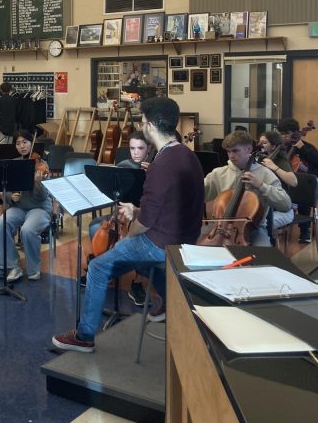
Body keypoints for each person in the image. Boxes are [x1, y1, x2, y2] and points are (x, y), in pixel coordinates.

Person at [52, 97, 205, 353]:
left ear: (152, 125)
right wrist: (137, 210)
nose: (142, 125)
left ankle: (84, 336)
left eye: (144, 121)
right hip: (184, 237)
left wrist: (130, 226)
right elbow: (170, 204)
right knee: (140, 262)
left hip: (160, 242)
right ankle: (168, 303)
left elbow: (143, 226)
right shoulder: (188, 156)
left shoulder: (161, 165)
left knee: (99, 267)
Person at [87, 131, 153, 304]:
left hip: (143, 214)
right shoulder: (123, 165)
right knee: (95, 227)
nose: (136, 152)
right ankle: (106, 270)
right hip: (122, 212)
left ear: (149, 149)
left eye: (140, 148)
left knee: (139, 238)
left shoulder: (155, 168)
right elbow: (113, 195)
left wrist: (151, 175)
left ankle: (137, 283)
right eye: (132, 148)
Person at [204, 130, 292, 246]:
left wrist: (261, 186)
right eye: (228, 151)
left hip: (254, 229)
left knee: (262, 256)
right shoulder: (219, 173)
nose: (231, 156)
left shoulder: (265, 173)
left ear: (249, 150)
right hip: (220, 227)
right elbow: (198, 194)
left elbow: (286, 205)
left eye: (235, 151)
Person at [0, 130, 51, 282]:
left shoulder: (41, 165)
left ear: (31, 143)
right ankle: (13, 266)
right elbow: (5, 189)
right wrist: (10, 196)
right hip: (19, 207)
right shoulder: (14, 163)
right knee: (1, 223)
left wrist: (38, 183)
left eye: (25, 142)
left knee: (27, 230)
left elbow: (42, 197)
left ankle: (33, 269)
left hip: (39, 209)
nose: (22, 146)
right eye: (18, 143)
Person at [277, 118, 318, 243]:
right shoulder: (281, 148)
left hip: (303, 186)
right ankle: (277, 223)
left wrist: (300, 145)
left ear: (295, 133)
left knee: (302, 192)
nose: (284, 137)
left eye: (286, 133)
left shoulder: (306, 147)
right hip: (285, 184)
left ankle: (305, 229)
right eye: (281, 134)